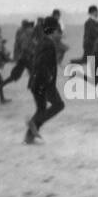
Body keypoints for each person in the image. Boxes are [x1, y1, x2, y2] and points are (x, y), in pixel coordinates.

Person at [25, 16, 65, 144]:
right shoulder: (48, 44)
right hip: (43, 83)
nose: (60, 34)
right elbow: (41, 63)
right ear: (53, 31)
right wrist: (48, 78)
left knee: (41, 109)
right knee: (58, 105)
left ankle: (29, 138)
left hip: (35, 82)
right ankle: (33, 123)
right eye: (58, 31)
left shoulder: (42, 41)